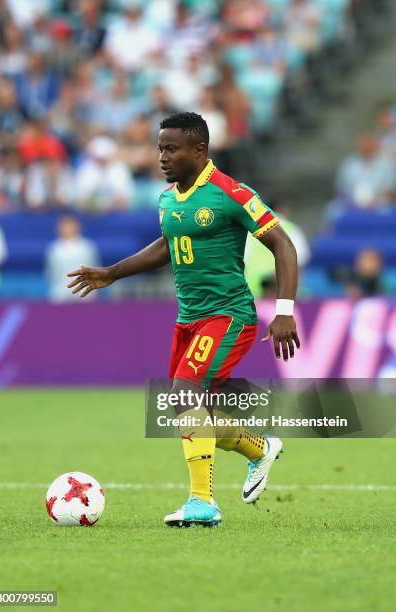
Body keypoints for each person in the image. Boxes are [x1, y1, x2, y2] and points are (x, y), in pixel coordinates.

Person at [67, 112, 299, 527]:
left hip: (228, 315)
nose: (162, 157)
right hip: (188, 317)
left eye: (171, 149)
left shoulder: (232, 193)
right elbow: (168, 246)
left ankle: (203, 502)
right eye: (160, 149)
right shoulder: (168, 199)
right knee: (186, 406)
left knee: (185, 392)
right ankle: (258, 447)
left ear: (200, 150)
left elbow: (283, 245)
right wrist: (113, 272)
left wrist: (284, 312)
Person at [46, 216, 99, 302]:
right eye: (64, 226)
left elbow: (95, 270)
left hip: (85, 294)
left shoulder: (87, 247)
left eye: (70, 226)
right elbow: (50, 273)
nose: (67, 229)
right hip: (60, 294)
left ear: (77, 227)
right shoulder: (54, 248)